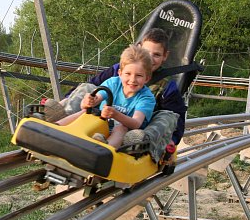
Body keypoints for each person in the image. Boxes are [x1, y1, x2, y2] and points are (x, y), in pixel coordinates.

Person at [45, 28, 186, 161]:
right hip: (102, 119)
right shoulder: (117, 73)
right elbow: (95, 89)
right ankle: (56, 122)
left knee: (165, 117)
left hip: (131, 126)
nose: (149, 58)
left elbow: (175, 119)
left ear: (164, 56)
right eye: (146, 52)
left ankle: (127, 145)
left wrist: (173, 141)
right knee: (88, 89)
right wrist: (85, 101)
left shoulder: (162, 89)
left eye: (156, 55)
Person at [56, 45, 156, 148]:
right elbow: (95, 99)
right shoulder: (113, 83)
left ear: (147, 78)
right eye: (128, 74)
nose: (132, 79)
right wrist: (88, 101)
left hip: (123, 134)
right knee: (86, 112)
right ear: (120, 73)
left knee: (121, 128)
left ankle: (103, 148)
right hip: (101, 123)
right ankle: (55, 127)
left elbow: (136, 123)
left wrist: (115, 114)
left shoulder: (146, 98)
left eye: (139, 75)